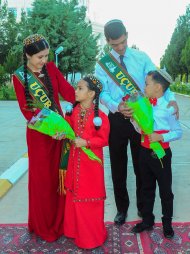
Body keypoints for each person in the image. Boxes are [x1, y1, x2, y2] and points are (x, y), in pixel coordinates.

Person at [95, 19, 179, 225]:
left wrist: (173, 100)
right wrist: (116, 106)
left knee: (142, 166)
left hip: (141, 119)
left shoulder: (141, 58)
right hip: (117, 119)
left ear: (127, 35)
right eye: (115, 45)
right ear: (107, 42)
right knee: (118, 166)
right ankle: (121, 209)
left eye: (123, 42)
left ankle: (144, 208)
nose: (121, 47)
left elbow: (160, 80)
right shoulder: (103, 65)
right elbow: (103, 92)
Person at [13, 34, 75, 242]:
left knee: (60, 178)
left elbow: (68, 92)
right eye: (39, 57)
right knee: (42, 181)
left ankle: (60, 223)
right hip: (40, 135)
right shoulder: (19, 76)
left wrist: (87, 97)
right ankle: (43, 225)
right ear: (28, 56)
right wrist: (50, 129)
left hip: (59, 134)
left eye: (46, 56)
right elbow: (27, 112)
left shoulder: (52, 69)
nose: (44, 60)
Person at [131, 69, 182, 239]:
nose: (144, 86)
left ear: (158, 87)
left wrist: (161, 136)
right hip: (144, 151)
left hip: (161, 154)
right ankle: (147, 220)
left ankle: (167, 224)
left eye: (147, 84)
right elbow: (139, 129)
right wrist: (136, 122)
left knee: (165, 190)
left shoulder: (168, 108)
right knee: (146, 187)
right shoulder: (143, 104)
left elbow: (178, 132)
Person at [61, 75, 110, 249]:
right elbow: (67, 129)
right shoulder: (72, 111)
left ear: (91, 94)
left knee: (90, 198)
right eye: (76, 87)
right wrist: (60, 133)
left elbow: (104, 140)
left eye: (80, 88)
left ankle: (91, 237)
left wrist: (87, 142)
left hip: (92, 167)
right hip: (75, 162)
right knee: (74, 195)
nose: (75, 91)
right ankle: (75, 231)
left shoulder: (102, 117)